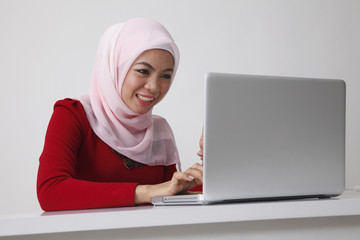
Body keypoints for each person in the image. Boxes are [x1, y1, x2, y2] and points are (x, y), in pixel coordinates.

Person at [37, 18, 203, 211]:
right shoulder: (74, 114)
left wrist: (212, 160)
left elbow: (174, 196)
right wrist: (147, 192)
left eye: (165, 76)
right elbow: (51, 192)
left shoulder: (159, 131)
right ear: (115, 68)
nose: (154, 87)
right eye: (142, 71)